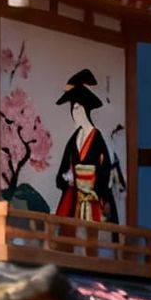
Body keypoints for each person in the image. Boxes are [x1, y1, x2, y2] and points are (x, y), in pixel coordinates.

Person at [53, 68, 121, 224]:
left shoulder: (97, 138)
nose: (75, 113)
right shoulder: (73, 139)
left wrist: (94, 188)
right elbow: (63, 168)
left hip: (93, 197)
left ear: (86, 109)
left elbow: (104, 169)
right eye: (73, 109)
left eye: (78, 108)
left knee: (92, 237)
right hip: (74, 195)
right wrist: (66, 178)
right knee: (68, 235)